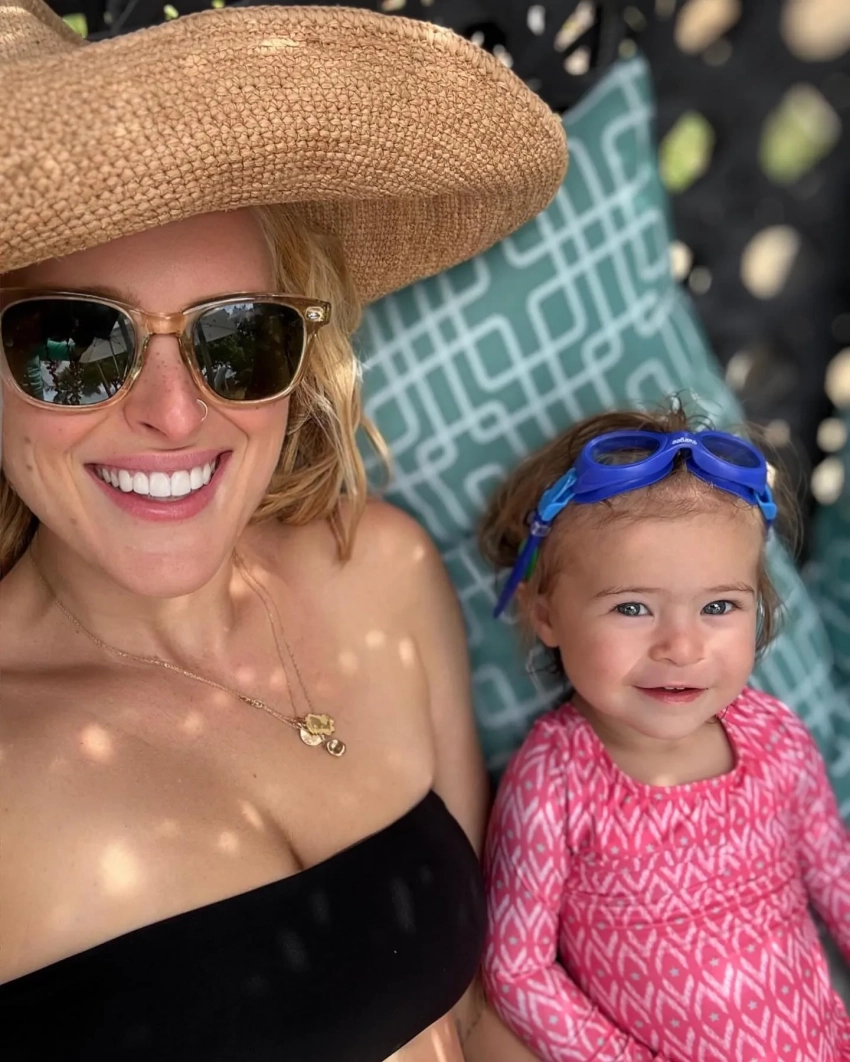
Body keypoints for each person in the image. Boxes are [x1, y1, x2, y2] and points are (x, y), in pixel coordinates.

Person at [0, 2, 567, 1059]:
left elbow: (477, 1011)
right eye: (74, 342)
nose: (174, 413)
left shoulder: (378, 572)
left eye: (235, 338)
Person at [479, 405, 850, 1061]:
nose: (681, 646)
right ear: (546, 614)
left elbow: (837, 878)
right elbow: (517, 971)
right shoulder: (553, 781)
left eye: (718, 606)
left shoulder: (775, 737)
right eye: (632, 607)